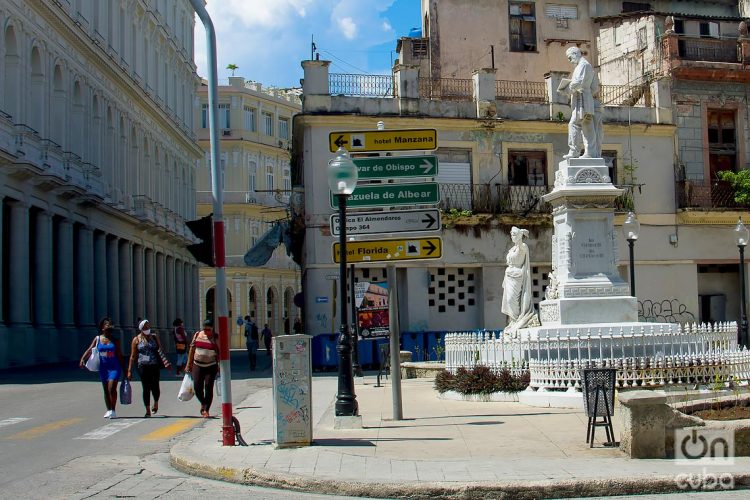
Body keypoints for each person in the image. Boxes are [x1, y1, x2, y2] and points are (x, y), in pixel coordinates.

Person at [560, 46, 602, 160]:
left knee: (573, 124)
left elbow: (577, 83)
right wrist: (587, 92)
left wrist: (567, 89)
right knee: (587, 125)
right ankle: (591, 152)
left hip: (581, 100)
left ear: (575, 54)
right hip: (586, 99)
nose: (570, 60)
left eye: (570, 58)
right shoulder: (587, 66)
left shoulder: (582, 65)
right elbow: (595, 87)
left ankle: (574, 151)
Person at [80, 317, 124, 419]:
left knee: (112, 388)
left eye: (111, 325)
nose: (109, 327)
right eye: (107, 325)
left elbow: (120, 355)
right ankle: (108, 410)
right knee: (105, 390)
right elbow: (90, 349)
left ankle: (113, 410)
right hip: (103, 367)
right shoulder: (98, 339)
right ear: (103, 327)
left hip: (114, 367)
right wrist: (83, 359)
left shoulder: (115, 340)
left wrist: (126, 370)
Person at [501, 227, 539, 333]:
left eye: (513, 234)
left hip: (517, 276)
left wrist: (521, 234)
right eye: (511, 234)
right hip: (509, 276)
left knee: (513, 300)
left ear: (518, 236)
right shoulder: (512, 249)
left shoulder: (523, 246)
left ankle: (517, 319)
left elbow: (522, 250)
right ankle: (513, 320)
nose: (511, 236)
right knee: (509, 300)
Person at [127, 319, 167, 417]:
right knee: (146, 387)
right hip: (143, 366)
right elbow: (132, 356)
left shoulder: (154, 337)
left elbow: (160, 350)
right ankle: (148, 409)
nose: (147, 328)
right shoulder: (136, 340)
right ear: (141, 328)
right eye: (145, 327)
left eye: (148, 326)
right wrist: (129, 370)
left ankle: (156, 402)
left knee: (155, 386)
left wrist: (166, 362)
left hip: (154, 365)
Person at [186, 319, 220, 417]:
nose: (206, 331)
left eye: (208, 330)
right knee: (197, 387)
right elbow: (192, 349)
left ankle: (206, 409)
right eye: (204, 329)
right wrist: (189, 364)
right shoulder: (197, 335)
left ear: (212, 329)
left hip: (211, 365)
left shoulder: (215, 337)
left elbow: (220, 351)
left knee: (208, 387)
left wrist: (219, 365)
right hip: (197, 365)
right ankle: (203, 402)